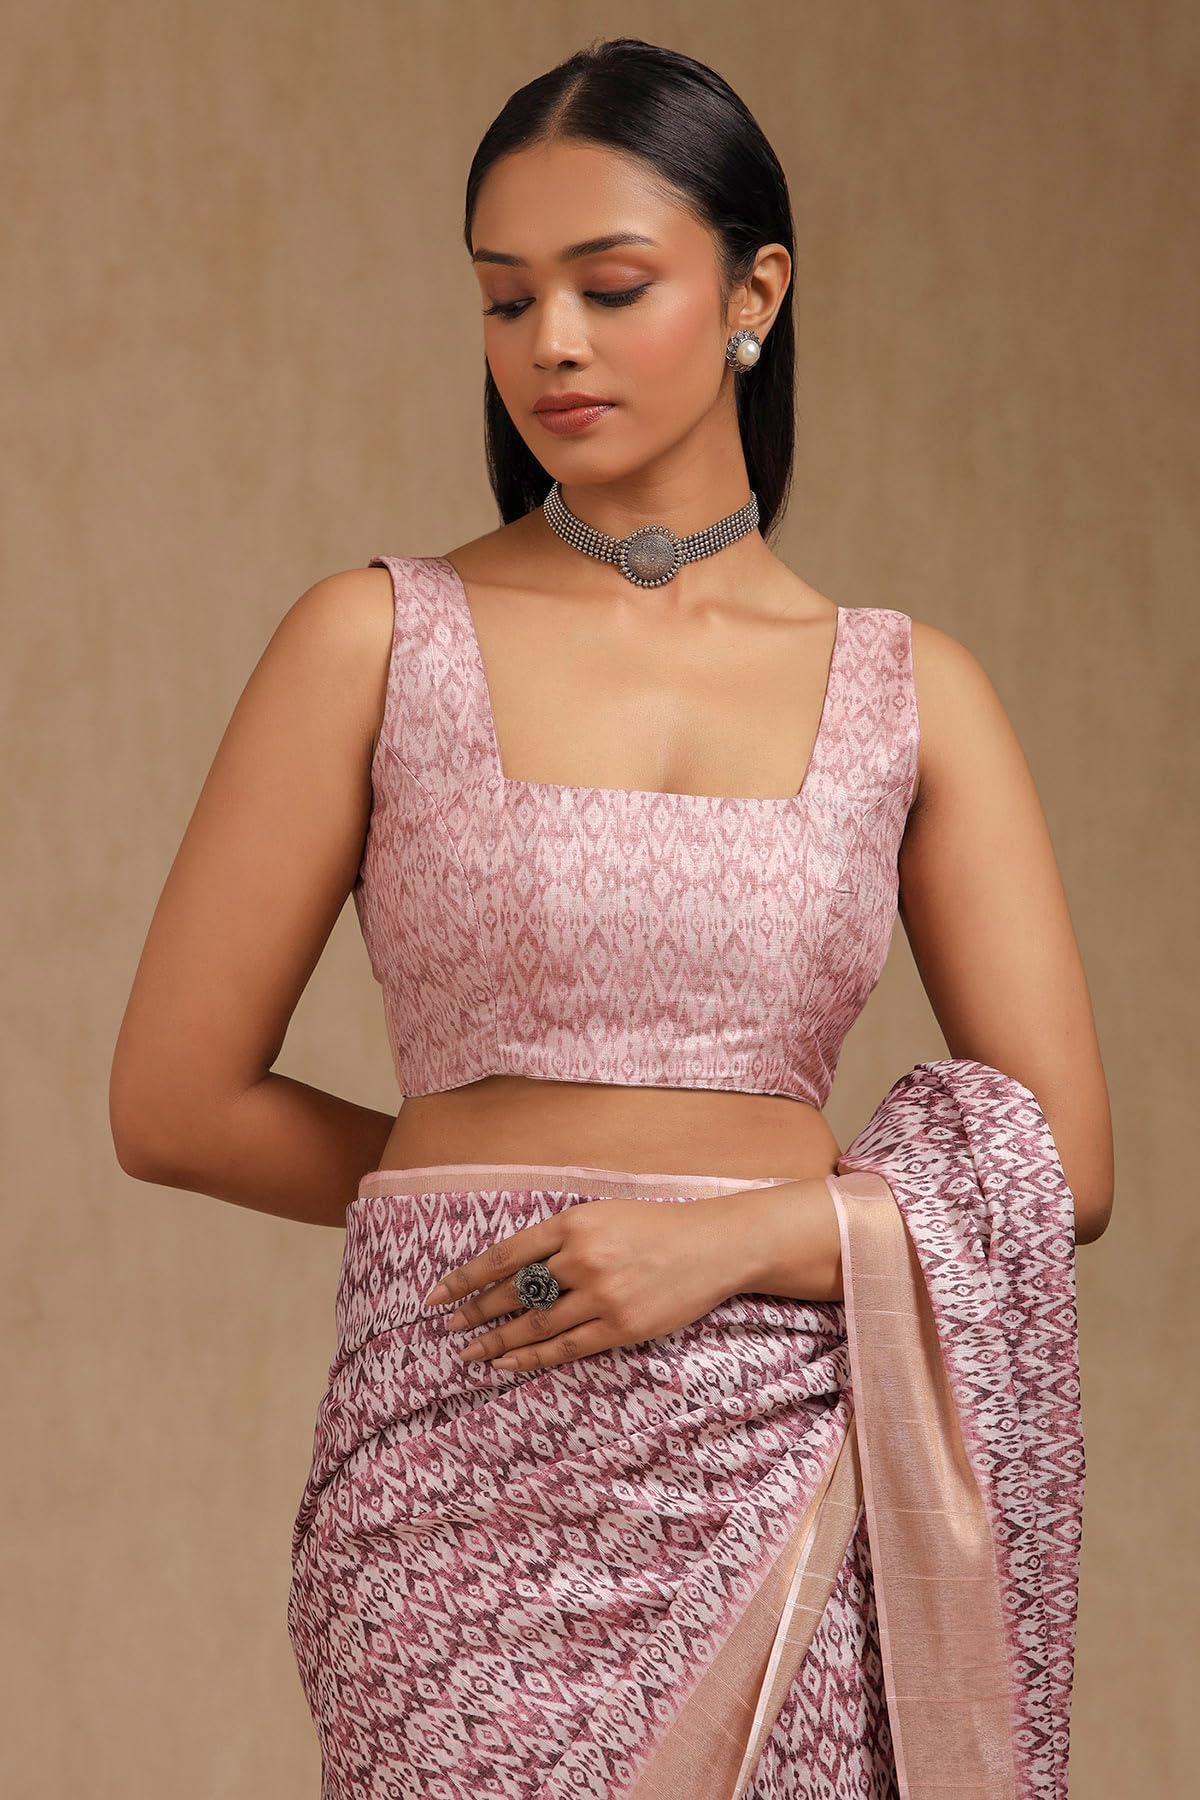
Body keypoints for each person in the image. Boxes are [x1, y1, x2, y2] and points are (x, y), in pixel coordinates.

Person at [109, 35, 1112, 1800]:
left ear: (754, 293)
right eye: (506, 300)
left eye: (610, 286)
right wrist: (505, 1213)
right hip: (462, 1462)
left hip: (784, 1453)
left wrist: (722, 1242)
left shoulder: (912, 695)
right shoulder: (374, 643)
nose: (549, 345)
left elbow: (1063, 1163)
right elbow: (173, 1101)